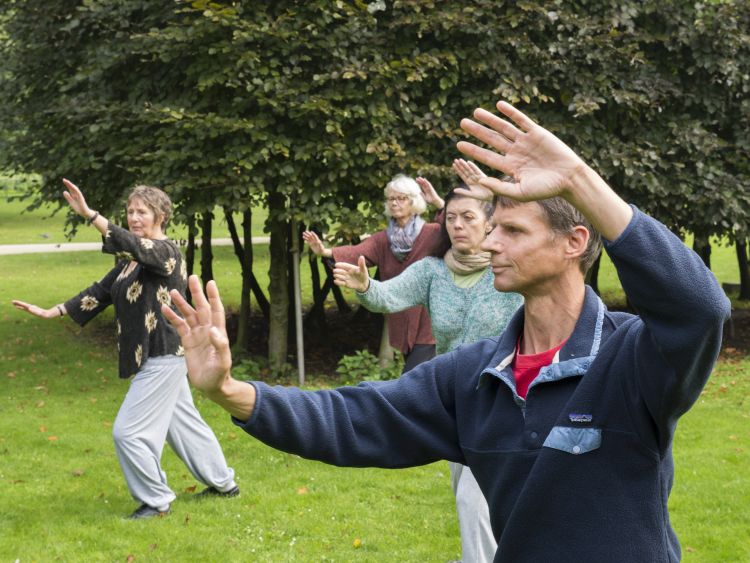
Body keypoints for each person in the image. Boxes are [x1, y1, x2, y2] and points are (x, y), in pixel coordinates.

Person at [162, 101, 730, 561]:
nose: (488, 242)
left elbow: (699, 309)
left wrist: (580, 179)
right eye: (492, 228)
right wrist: (230, 393)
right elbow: (354, 417)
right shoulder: (474, 377)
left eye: (510, 230)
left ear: (573, 243)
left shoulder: (631, 357)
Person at [12, 180, 239, 520]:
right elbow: (100, 292)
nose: (134, 218)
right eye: (130, 211)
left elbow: (134, 244)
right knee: (184, 425)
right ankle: (224, 484)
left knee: (128, 432)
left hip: (163, 352)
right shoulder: (130, 262)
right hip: (154, 354)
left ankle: (156, 500)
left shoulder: (165, 253)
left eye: (142, 212)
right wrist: (53, 310)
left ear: (160, 215)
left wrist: (90, 215)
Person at [333, 178, 523, 563]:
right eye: (450, 217)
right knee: (471, 494)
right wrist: (366, 286)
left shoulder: (510, 271)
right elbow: (390, 297)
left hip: (506, 397)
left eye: (467, 217)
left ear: (489, 223)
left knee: (475, 497)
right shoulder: (433, 271)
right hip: (457, 400)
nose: (457, 224)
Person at [302, 174, 445, 372]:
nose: (395, 203)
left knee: (414, 379)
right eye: (391, 198)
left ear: (414, 201)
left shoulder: (432, 233)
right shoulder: (383, 240)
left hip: (431, 322)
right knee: (424, 380)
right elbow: (357, 253)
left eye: (401, 198)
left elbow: (457, 226)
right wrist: (324, 251)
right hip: (402, 318)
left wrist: (438, 202)